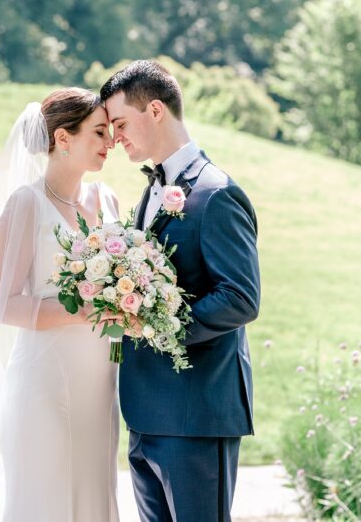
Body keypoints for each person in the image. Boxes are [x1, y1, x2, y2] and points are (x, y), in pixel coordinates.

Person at [0, 87, 122, 522]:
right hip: (45, 384)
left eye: (111, 132)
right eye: (99, 131)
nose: (109, 142)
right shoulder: (26, 204)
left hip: (100, 382)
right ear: (63, 139)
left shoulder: (106, 200)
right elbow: (3, 305)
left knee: (95, 498)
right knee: (47, 501)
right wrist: (82, 310)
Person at [101, 60, 262, 522]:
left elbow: (240, 296)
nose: (115, 139)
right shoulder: (151, 192)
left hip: (196, 412)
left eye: (120, 124)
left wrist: (156, 328)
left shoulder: (217, 194)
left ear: (154, 110)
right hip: (145, 413)